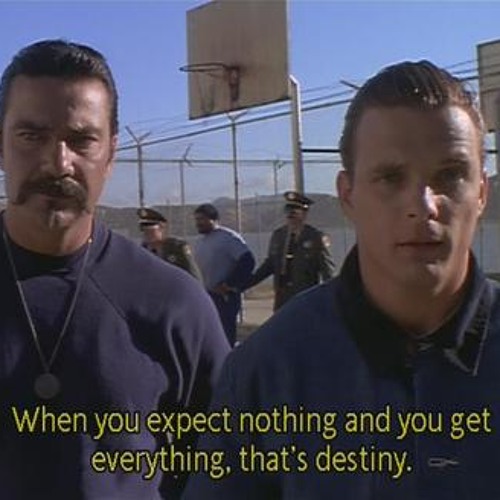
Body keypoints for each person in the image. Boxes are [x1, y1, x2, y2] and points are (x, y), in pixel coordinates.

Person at [183, 60, 500, 499]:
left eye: (450, 175)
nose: (423, 205)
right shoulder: (271, 369)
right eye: (391, 177)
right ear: (348, 195)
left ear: (481, 193)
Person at [0, 39, 230, 500]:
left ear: (111, 154)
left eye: (81, 140)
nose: (58, 162)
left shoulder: (173, 304)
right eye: (31, 136)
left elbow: (226, 465)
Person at [246, 191, 335, 310]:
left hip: (306, 299)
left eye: (294, 212)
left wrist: (332, 300)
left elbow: (327, 272)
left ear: (304, 213)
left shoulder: (315, 237)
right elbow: (269, 265)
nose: (290, 216)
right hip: (282, 299)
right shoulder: (278, 235)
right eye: (288, 212)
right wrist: (244, 284)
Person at [193, 203, 255, 347]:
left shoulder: (228, 238)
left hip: (224, 298)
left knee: (224, 338)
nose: (198, 223)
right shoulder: (201, 241)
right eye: (196, 220)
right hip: (207, 296)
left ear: (213, 219)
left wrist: (228, 284)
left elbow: (247, 261)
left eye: (201, 219)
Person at [138, 206, 202, 280]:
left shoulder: (177, 248)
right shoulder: (143, 251)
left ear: (162, 228)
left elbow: (194, 276)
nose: (146, 232)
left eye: (150, 229)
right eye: (143, 229)